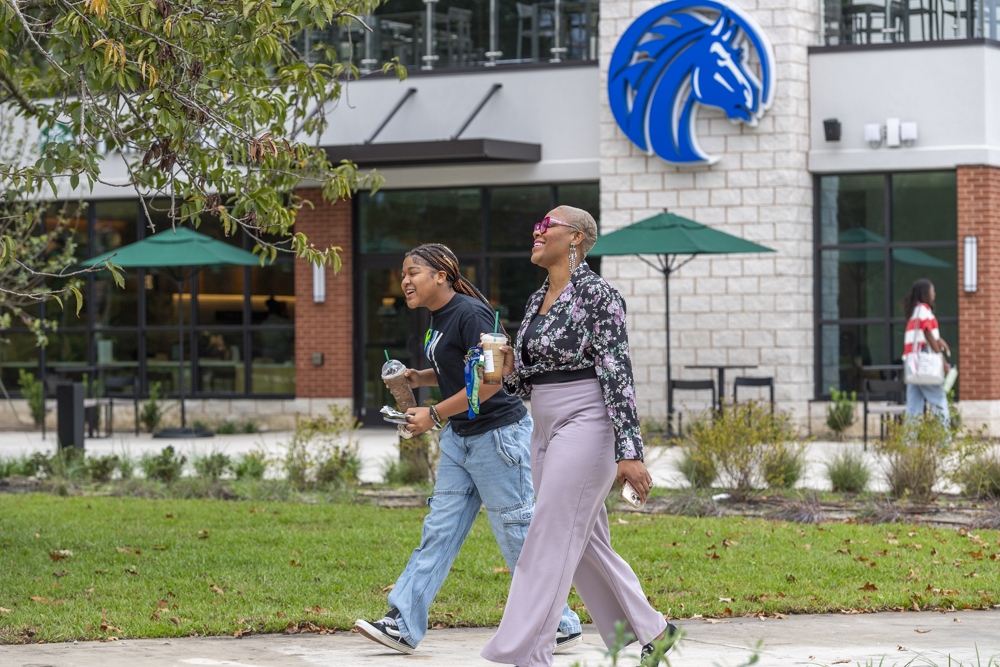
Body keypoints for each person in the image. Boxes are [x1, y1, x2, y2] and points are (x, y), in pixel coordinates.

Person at [355, 243, 582, 656]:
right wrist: (420, 377)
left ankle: (560, 623)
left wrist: (433, 414)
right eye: (403, 274)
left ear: (441, 275)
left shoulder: (472, 313)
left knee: (517, 535)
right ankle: (403, 623)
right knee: (439, 530)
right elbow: (460, 370)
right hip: (461, 439)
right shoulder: (439, 318)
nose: (404, 281)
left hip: (498, 438)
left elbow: (491, 383)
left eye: (413, 273)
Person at [481, 207, 676, 667]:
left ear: (575, 238)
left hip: (589, 421)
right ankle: (653, 630)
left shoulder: (598, 295)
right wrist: (508, 369)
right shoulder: (536, 299)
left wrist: (629, 451)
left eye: (545, 226)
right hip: (544, 424)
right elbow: (527, 383)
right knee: (582, 539)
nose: (536, 231)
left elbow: (617, 372)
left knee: (549, 534)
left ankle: (527, 652)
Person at [902, 278, 951, 427]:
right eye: (932, 290)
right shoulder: (924, 309)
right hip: (924, 361)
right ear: (925, 294)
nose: (934, 294)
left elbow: (925, 333)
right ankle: (944, 438)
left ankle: (909, 440)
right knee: (939, 402)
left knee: (913, 408)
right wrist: (941, 357)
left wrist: (939, 340)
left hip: (914, 364)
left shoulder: (916, 311)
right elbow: (927, 333)